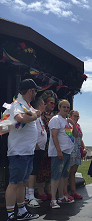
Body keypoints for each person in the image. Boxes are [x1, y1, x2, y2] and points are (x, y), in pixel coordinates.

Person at [4, 79, 41, 221]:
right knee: (14, 183)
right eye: (35, 91)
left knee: (21, 183)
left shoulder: (26, 105)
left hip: (27, 152)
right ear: (30, 90)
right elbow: (19, 118)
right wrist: (34, 115)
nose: (35, 93)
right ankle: (10, 214)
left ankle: (22, 211)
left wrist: (34, 113)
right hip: (19, 152)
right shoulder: (17, 104)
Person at [48, 100, 78, 208]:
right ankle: (53, 200)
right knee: (56, 175)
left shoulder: (67, 121)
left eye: (68, 107)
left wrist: (73, 123)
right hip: (58, 153)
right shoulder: (56, 120)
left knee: (64, 176)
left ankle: (61, 196)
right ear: (59, 107)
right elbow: (54, 136)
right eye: (64, 107)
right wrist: (59, 150)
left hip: (68, 152)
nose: (66, 109)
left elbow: (75, 134)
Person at [25, 97, 47, 208]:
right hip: (35, 148)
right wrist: (36, 145)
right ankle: (29, 197)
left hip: (40, 149)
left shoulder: (39, 117)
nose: (45, 105)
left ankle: (31, 195)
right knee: (32, 173)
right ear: (39, 104)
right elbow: (32, 131)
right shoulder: (34, 115)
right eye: (43, 103)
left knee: (34, 172)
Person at [36, 90, 57, 201]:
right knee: (42, 166)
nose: (53, 105)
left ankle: (48, 188)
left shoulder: (56, 116)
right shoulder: (41, 115)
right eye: (50, 103)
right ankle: (40, 189)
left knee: (50, 167)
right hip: (44, 144)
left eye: (54, 103)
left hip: (53, 144)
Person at [63, 110, 87, 200]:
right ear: (70, 116)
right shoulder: (68, 124)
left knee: (73, 172)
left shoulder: (78, 125)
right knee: (67, 172)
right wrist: (72, 123)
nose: (76, 118)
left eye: (78, 116)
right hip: (70, 150)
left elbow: (80, 138)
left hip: (77, 150)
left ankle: (73, 191)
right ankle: (65, 192)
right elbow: (69, 135)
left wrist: (84, 147)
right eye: (75, 116)